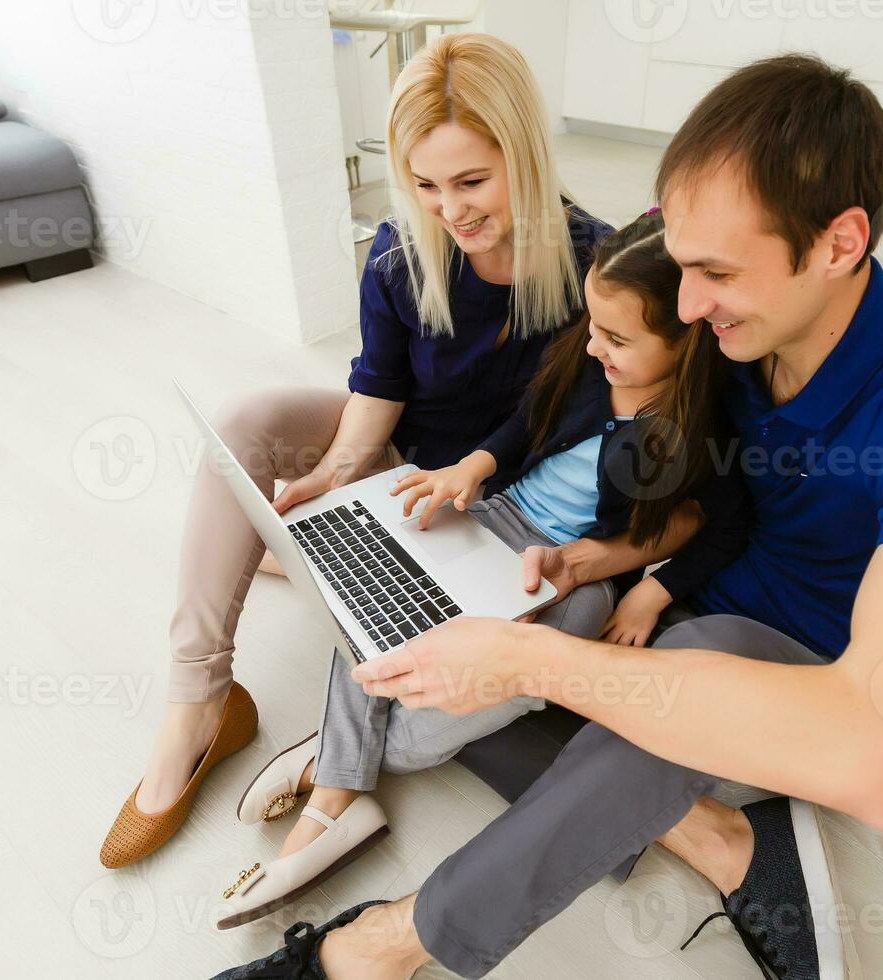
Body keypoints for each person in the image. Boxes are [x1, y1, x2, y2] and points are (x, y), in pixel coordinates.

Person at [218, 54, 883, 980]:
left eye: (717, 272)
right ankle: (724, 837)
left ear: (840, 243)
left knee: (579, 686)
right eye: (682, 268)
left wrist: (538, 657)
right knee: (484, 668)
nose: (688, 308)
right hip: (649, 604)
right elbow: (588, 407)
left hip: (773, 649)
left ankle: (373, 946)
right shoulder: (720, 333)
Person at [98, 33, 614, 869]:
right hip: (402, 460)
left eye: (473, 181)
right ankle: (199, 700)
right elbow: (378, 388)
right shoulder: (400, 252)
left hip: (490, 499)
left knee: (357, 561)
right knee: (250, 416)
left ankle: (298, 569)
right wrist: (338, 474)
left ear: (523, 151)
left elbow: (578, 417)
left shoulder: (596, 261)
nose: (451, 210)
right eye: (425, 185)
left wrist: (469, 475)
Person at [212, 211, 750, 928]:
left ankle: (330, 761)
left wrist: (653, 590)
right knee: (370, 606)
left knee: (448, 713)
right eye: (592, 325)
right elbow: (526, 423)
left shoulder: (705, 428)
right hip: (496, 515)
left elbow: (727, 524)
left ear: (687, 340)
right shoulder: (586, 363)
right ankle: (333, 805)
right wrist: (472, 466)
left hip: (578, 579)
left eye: (616, 338)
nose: (592, 345)